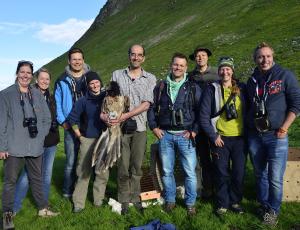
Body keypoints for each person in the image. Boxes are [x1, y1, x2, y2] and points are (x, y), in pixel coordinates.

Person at [0, 61, 59, 230]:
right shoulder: (5, 94)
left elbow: (47, 118)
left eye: (28, 72)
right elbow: (1, 123)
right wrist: (2, 147)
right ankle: (7, 215)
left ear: (32, 75)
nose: (25, 75)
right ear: (17, 73)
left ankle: (43, 208)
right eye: (22, 72)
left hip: (35, 146)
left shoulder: (37, 94)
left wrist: (40, 136)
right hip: (13, 146)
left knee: (37, 178)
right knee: (10, 181)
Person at [246, 42, 300, 226]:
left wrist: (284, 127)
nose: (264, 60)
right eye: (260, 57)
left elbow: (296, 104)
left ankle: (273, 211)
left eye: (268, 56)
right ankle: (263, 204)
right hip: (255, 135)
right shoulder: (251, 80)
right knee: (260, 174)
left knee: (275, 178)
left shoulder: (285, 76)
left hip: (276, 135)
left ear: (273, 56)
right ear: (255, 59)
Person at [101, 44, 156, 215]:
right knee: (123, 165)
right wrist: (108, 116)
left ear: (144, 58)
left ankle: (136, 197)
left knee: (137, 165)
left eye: (140, 55)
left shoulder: (150, 78)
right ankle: (124, 198)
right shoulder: (117, 75)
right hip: (120, 129)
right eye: (133, 54)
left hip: (139, 127)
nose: (136, 57)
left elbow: (147, 103)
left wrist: (126, 115)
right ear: (129, 56)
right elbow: (110, 98)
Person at [148, 53, 201, 216]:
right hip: (166, 135)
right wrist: (154, 127)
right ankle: (170, 200)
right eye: (175, 64)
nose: (178, 67)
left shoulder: (192, 87)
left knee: (190, 172)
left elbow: (201, 110)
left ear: (186, 68)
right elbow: (151, 107)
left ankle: (190, 203)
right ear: (171, 65)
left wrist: (194, 130)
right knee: (166, 171)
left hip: (186, 135)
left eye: (181, 65)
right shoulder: (161, 86)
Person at [199, 57, 247, 216]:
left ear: (232, 71)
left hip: (240, 139)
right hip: (220, 139)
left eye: (228, 69)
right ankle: (222, 203)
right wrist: (213, 136)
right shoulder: (211, 89)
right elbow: (204, 116)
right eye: (222, 69)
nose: (225, 71)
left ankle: (235, 201)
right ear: (218, 71)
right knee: (221, 172)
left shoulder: (242, 88)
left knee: (239, 172)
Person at [13, 68, 60, 213]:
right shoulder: (27, 95)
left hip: (51, 142)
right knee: (28, 174)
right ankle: (14, 207)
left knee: (46, 174)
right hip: (33, 142)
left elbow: (53, 115)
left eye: (47, 79)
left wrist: (55, 122)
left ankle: (43, 207)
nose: (45, 81)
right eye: (42, 78)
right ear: (36, 80)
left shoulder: (51, 97)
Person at [67, 71, 108, 213]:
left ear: (100, 83)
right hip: (88, 140)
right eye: (92, 83)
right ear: (88, 85)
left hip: (104, 139)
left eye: (97, 82)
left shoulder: (107, 98)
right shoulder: (83, 101)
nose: (95, 85)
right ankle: (78, 203)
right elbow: (72, 119)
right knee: (83, 172)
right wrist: (80, 137)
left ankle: (98, 200)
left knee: (102, 172)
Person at [54, 47, 91, 198]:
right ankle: (67, 191)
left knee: (88, 160)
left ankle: (83, 190)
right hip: (70, 126)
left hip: (88, 126)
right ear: (69, 61)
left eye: (79, 59)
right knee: (71, 161)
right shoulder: (61, 80)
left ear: (83, 60)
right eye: (74, 59)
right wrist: (63, 122)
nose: (77, 62)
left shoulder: (90, 77)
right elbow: (57, 104)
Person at [188, 46, 219, 198]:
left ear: (208, 57)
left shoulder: (216, 74)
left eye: (203, 55)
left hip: (214, 121)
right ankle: (207, 188)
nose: (200, 57)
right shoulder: (190, 76)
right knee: (203, 157)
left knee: (218, 156)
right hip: (196, 122)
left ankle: (220, 187)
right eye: (197, 55)